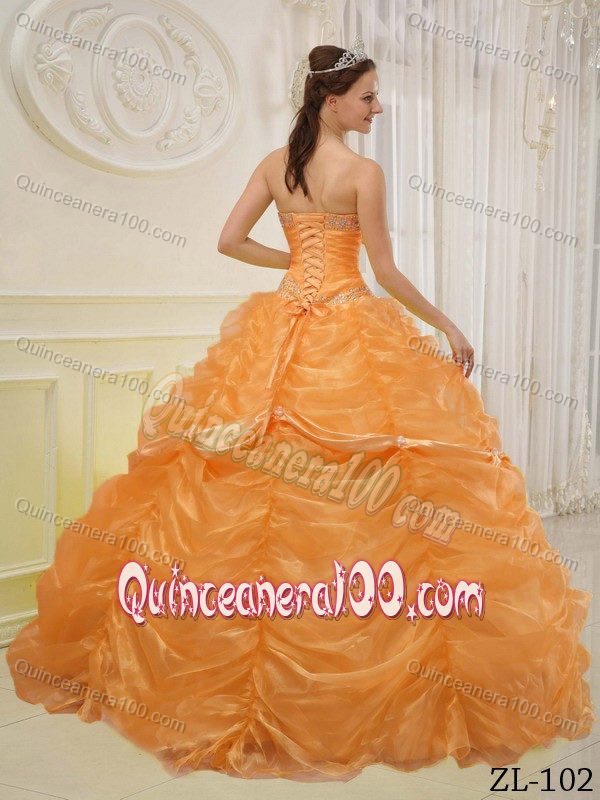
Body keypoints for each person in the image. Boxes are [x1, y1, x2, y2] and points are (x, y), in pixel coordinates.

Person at [6, 38, 594, 783]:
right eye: (369, 97)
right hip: (349, 323)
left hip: (281, 323)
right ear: (332, 99)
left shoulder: (275, 165)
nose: (379, 108)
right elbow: (384, 271)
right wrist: (447, 325)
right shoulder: (363, 173)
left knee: (249, 484)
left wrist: (294, 261)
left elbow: (229, 241)